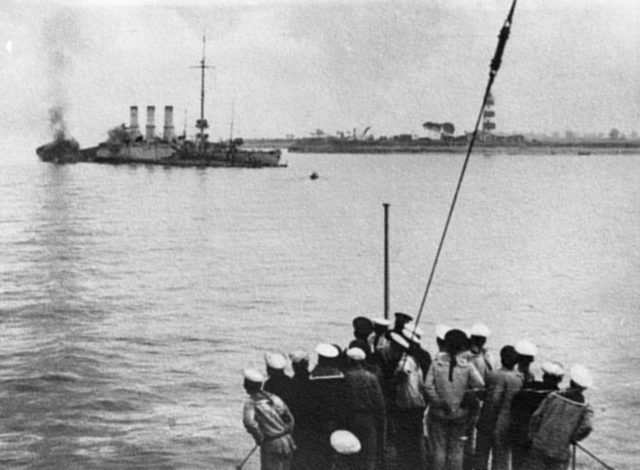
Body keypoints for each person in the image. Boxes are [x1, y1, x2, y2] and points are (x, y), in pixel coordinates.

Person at [425, 329, 484, 470]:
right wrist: (466, 397)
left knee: (439, 449)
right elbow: (480, 385)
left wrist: (438, 401)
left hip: (439, 412)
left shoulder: (436, 363)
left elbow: (428, 386)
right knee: (457, 449)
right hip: (459, 413)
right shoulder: (467, 365)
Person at [526, 365, 594, 470]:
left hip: (540, 445)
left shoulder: (553, 396)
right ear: (584, 388)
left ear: (571, 382)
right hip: (560, 451)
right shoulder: (585, 406)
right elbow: (587, 426)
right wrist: (573, 437)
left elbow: (536, 417)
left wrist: (533, 436)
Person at [510, 361, 564, 470]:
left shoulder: (530, 386)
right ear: (559, 380)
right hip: (540, 442)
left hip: (520, 434)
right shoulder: (559, 397)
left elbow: (514, 404)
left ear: (544, 376)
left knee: (517, 465)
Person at [306, 343, 352, 470]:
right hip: (336, 420)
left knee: (320, 454)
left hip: (318, 421)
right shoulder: (340, 376)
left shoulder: (313, 376)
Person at [474, 345, 518, 470]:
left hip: (487, 420)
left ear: (502, 358)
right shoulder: (519, 378)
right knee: (501, 459)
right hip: (506, 423)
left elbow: (491, 398)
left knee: (481, 455)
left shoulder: (493, 375)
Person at [242, 368, 296, 470]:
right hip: (287, 441)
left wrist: (259, 437)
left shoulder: (251, 403)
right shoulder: (274, 398)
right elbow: (289, 419)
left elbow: (249, 423)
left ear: (246, 386)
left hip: (271, 444)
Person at [344, 347, 386, 470]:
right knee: (368, 456)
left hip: (351, 419)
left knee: (351, 456)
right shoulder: (371, 377)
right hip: (369, 419)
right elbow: (380, 404)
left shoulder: (346, 377)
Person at [391, 331, 428, 470]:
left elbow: (403, 372)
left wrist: (395, 378)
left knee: (405, 439)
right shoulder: (416, 359)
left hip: (407, 405)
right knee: (416, 438)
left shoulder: (404, 361)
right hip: (418, 402)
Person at [487, 345, 524, 470]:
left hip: (499, 418)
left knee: (498, 455)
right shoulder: (520, 377)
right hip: (515, 420)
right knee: (507, 454)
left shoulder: (495, 375)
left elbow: (495, 400)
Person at [463, 323, 494, 470]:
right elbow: (490, 376)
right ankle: (468, 460)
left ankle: (466, 461)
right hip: (479, 396)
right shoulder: (485, 356)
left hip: (468, 395)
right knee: (471, 432)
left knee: (466, 431)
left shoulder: (466, 355)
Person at [288, 350, 314, 470]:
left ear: (293, 366)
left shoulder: (290, 384)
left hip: (295, 428)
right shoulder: (314, 381)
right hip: (313, 428)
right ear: (307, 364)